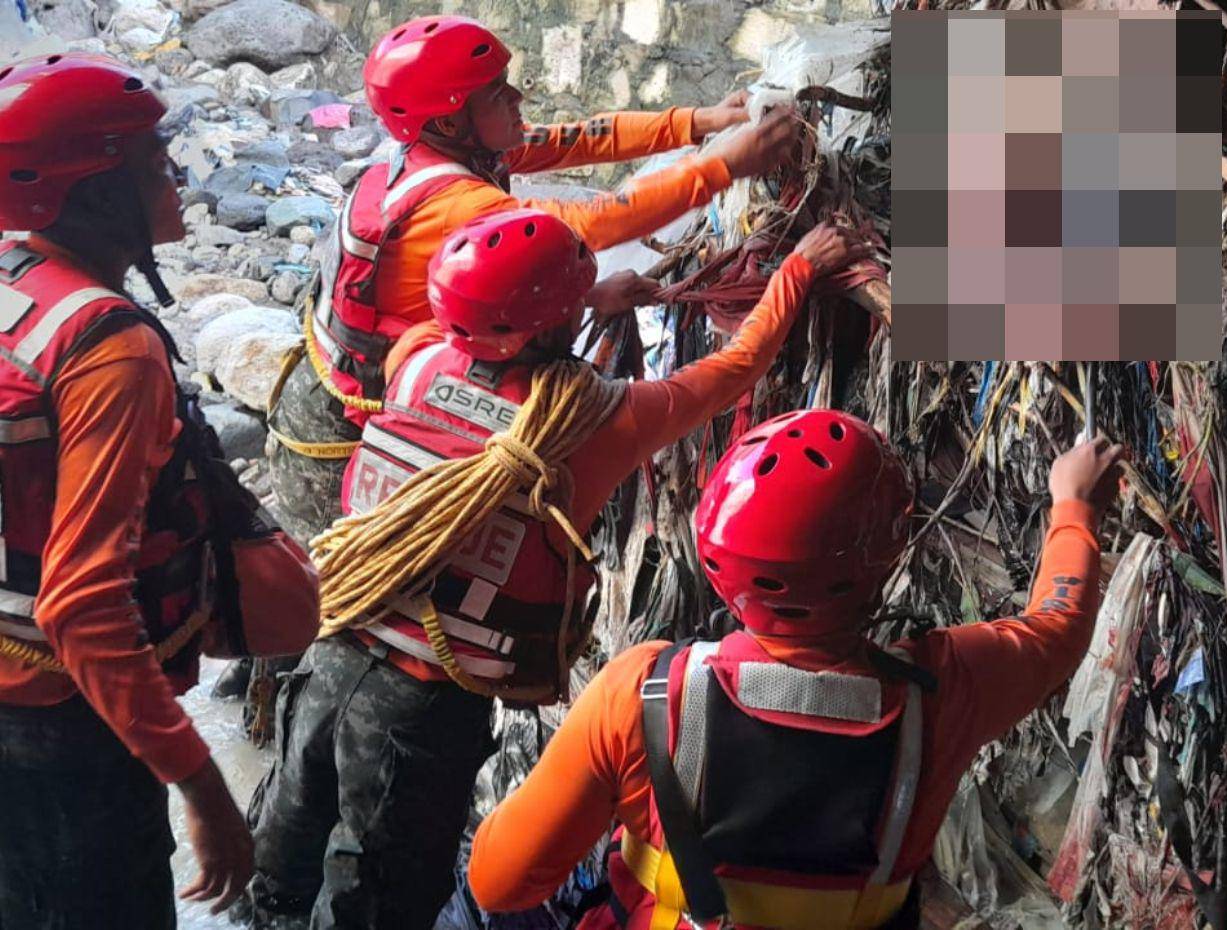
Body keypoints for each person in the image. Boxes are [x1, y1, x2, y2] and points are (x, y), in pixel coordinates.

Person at [243, 208, 874, 929]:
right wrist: (798, 269)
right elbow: (735, 369)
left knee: (285, 849)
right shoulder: (597, 421)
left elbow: (484, 361)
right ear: (547, 322)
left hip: (332, 651)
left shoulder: (413, 359)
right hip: (422, 706)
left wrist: (577, 308)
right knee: (380, 899)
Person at [467, 415, 1126, 930]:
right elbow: (1057, 627)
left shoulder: (643, 691)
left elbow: (498, 883)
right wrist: (1075, 506)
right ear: (885, 554)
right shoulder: (948, 689)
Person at [266, 11, 803, 549]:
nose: (519, 98)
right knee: (372, 563)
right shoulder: (457, 203)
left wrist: (700, 122)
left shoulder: (445, 153)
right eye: (499, 94)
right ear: (451, 122)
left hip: (359, 374)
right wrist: (722, 169)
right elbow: (582, 228)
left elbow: (581, 138)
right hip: (344, 425)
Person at [0, 53, 320, 928]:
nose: (177, 178)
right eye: (153, 164)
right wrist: (205, 793)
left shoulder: (15, 292)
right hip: (61, 731)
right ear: (95, 192)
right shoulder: (109, 348)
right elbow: (84, 606)